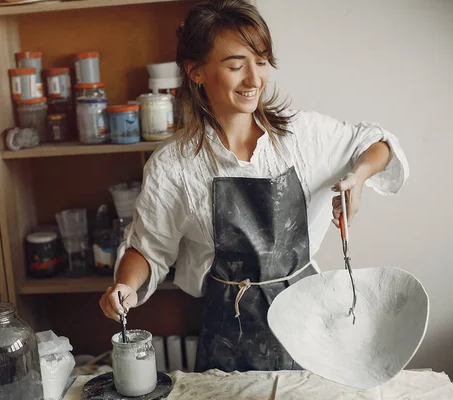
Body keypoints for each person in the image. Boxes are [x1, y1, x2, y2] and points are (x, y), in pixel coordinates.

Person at [99, 0, 409, 372]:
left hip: (310, 321)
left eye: (261, 62)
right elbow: (147, 249)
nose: (254, 79)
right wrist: (126, 286)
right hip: (229, 332)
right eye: (235, 66)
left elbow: (379, 143)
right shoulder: (174, 166)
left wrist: (358, 176)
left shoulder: (301, 136)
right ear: (195, 71)